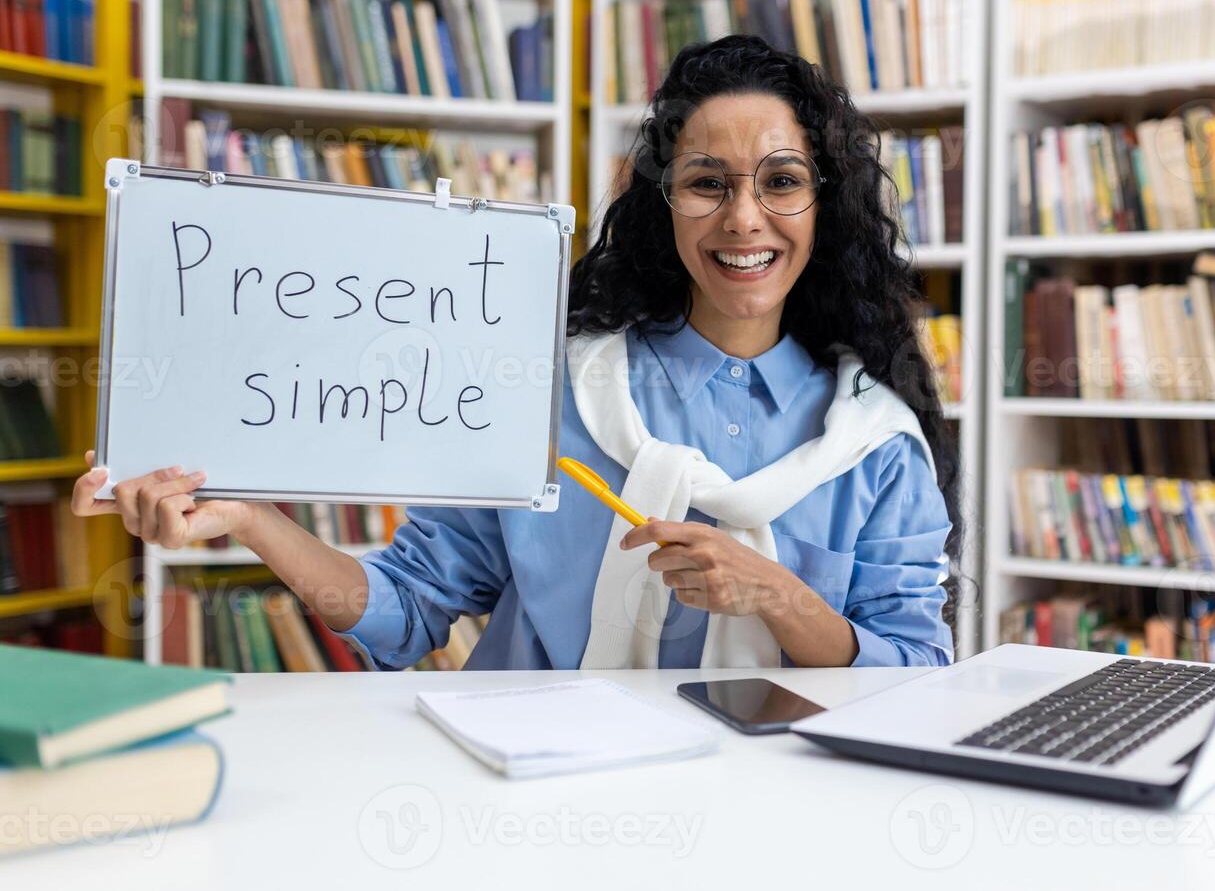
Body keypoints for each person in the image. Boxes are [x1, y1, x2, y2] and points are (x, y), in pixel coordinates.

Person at [71, 34, 963, 670]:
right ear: (665, 204)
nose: (741, 218)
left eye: (781, 182)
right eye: (705, 183)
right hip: (536, 809)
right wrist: (254, 520)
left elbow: (914, 669)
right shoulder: (551, 392)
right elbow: (410, 610)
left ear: (823, 204)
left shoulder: (873, 445)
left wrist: (776, 596)